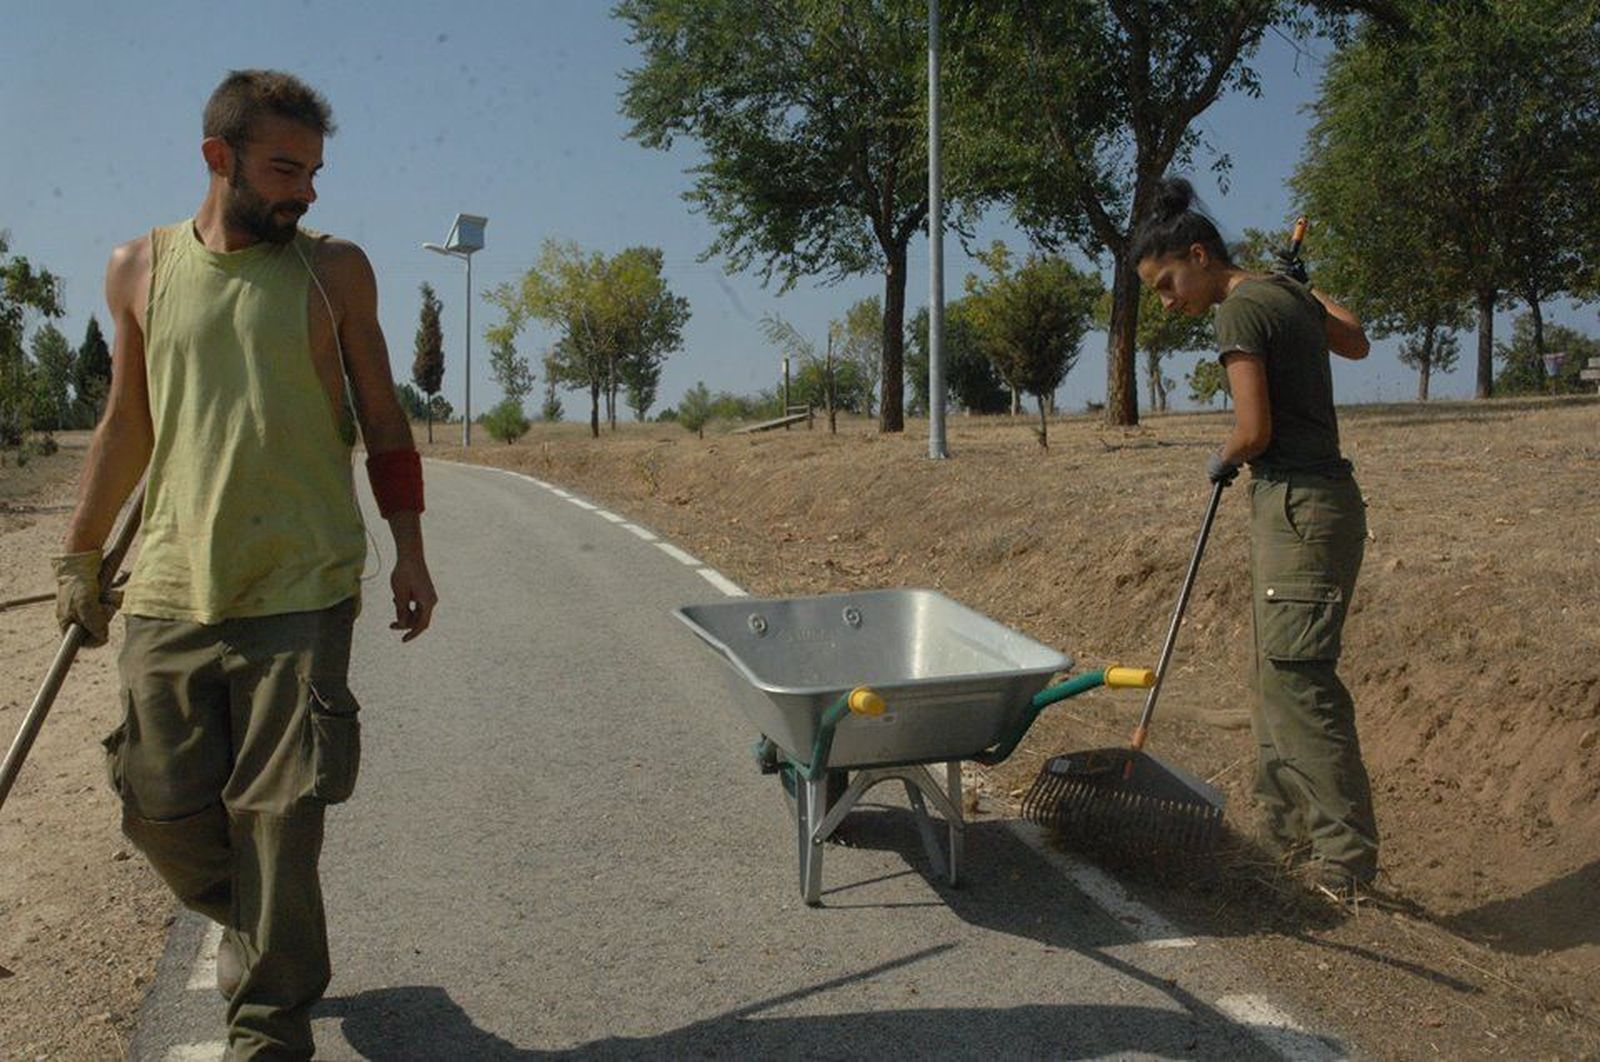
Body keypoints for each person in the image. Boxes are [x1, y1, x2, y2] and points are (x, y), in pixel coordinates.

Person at [53, 69, 437, 1058]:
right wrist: (79, 558)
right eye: (283, 169)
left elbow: (385, 419)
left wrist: (410, 552)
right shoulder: (139, 268)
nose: (305, 191)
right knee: (160, 808)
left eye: (313, 172)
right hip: (174, 586)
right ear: (216, 159)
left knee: (278, 819)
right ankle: (266, 925)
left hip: (302, 589)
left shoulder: (332, 270)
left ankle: (267, 1023)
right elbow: (124, 424)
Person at [1133, 177, 1377, 899]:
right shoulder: (1276, 294)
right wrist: (1299, 287)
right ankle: (1283, 833)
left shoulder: (1239, 312)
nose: (1169, 301)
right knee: (1272, 671)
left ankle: (1343, 861)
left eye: (1168, 283)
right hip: (1314, 505)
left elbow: (1254, 429)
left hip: (1300, 505)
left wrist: (1222, 455)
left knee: (1298, 680)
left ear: (1200, 255)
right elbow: (1354, 337)